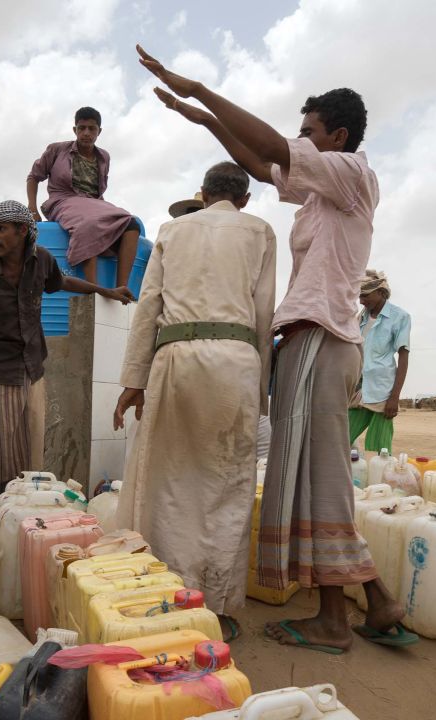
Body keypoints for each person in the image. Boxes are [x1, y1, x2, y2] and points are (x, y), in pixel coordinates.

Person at [138, 44, 416, 654]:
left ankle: (337, 621)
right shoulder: (323, 192)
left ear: (337, 135)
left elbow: (269, 150)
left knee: (319, 481)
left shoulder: (351, 174)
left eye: (309, 132)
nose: (299, 141)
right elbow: (263, 165)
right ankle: (376, 603)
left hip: (321, 338)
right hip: (310, 342)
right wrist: (207, 122)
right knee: (308, 478)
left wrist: (201, 90)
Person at [113, 161, 276, 640]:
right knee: (226, 488)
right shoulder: (260, 231)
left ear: (203, 194)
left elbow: (150, 305)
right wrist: (259, 389)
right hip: (236, 360)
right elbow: (263, 311)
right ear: (244, 198)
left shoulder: (172, 230)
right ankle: (216, 608)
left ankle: (165, 595)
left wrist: (133, 379)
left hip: (175, 358)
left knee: (165, 481)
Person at [0, 200, 130, 525]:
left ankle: (23, 519)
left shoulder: (41, 261)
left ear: (22, 232)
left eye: (1, 228)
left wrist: (106, 290)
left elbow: (63, 283)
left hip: (32, 370)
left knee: (30, 449)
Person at [26, 107, 138, 298]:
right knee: (89, 224)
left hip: (94, 204)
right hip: (63, 200)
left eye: (92, 129)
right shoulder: (57, 150)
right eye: (82, 128)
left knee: (131, 222)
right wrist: (32, 208)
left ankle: (122, 289)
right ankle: (94, 290)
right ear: (75, 130)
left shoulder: (104, 157)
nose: (86, 133)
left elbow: (98, 192)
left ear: (99, 131)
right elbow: (33, 177)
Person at [349, 269, 411, 455]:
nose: (361, 300)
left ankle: (383, 482)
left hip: (382, 391)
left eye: (365, 295)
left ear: (381, 293)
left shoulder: (400, 317)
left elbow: (403, 356)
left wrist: (394, 397)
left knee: (382, 449)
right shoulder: (359, 318)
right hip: (358, 389)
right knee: (341, 437)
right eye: (359, 296)